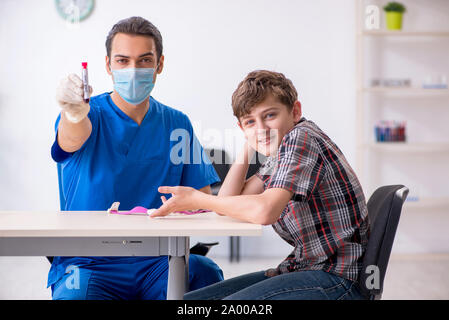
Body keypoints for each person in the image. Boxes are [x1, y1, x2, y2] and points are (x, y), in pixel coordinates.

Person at [151, 70, 370, 300]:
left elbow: (265, 211)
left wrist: (197, 199)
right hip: (312, 269)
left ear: (295, 111)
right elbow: (226, 203)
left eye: (269, 116)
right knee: (192, 302)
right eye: (250, 122)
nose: (261, 128)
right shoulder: (279, 153)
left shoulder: (301, 138)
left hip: (338, 278)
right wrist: (250, 141)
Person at [49, 16, 223, 300]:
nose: (133, 70)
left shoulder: (177, 123)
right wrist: (72, 115)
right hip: (91, 261)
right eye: (122, 61)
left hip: (158, 260)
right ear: (108, 65)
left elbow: (201, 200)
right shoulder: (86, 115)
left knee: (205, 272)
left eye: (144, 60)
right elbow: (70, 139)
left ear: (160, 64)